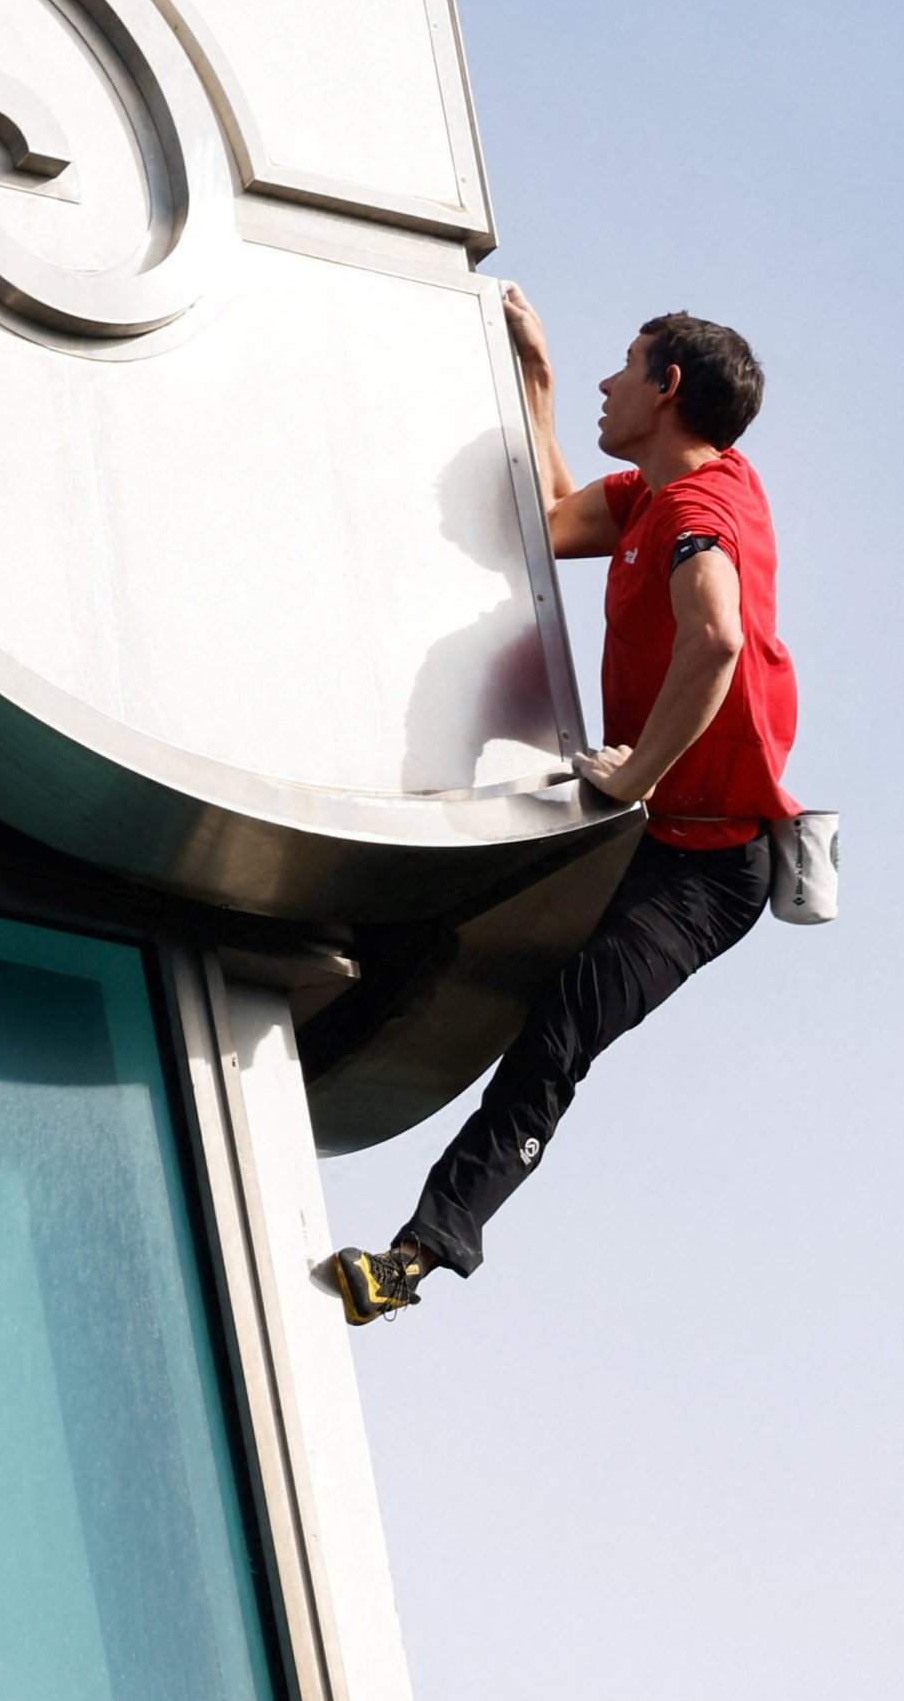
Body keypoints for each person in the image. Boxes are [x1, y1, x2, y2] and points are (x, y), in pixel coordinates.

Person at [328, 294, 798, 1323]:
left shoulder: (694, 513)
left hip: (710, 868)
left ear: (668, 387)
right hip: (645, 827)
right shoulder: (654, 494)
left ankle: (418, 1255)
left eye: (623, 367)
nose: (605, 382)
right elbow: (549, 521)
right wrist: (534, 380)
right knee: (467, 902)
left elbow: (714, 639)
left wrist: (632, 781)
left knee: (562, 1023)